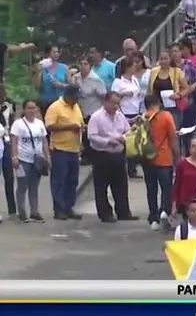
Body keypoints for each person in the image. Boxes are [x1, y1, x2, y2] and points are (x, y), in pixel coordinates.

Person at [87, 92, 137, 223]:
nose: (116, 106)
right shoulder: (96, 117)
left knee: (121, 184)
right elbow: (92, 136)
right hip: (102, 155)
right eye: (114, 103)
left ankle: (123, 211)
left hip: (118, 154)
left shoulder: (120, 116)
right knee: (101, 186)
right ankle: (105, 213)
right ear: (105, 102)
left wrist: (124, 138)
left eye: (118, 103)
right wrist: (108, 141)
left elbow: (128, 130)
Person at [45, 85, 84, 221]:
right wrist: (68, 126)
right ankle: (59, 209)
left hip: (74, 149)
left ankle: (69, 207)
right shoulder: (55, 107)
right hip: (60, 149)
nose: (76, 100)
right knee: (59, 181)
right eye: (75, 98)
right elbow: (49, 126)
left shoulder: (76, 107)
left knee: (72, 181)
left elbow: (80, 123)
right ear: (68, 96)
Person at [141, 94, 179, 231]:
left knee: (151, 189)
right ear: (158, 102)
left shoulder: (142, 118)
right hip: (164, 158)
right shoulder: (166, 116)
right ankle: (164, 211)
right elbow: (172, 138)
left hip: (147, 159)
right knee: (166, 188)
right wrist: (177, 156)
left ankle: (153, 218)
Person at [10, 99, 49, 223]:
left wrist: (47, 157)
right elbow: (14, 141)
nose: (31, 111)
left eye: (33, 108)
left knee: (34, 186)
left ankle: (34, 211)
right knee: (22, 186)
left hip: (36, 160)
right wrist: (14, 157)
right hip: (23, 159)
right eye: (29, 108)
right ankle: (22, 212)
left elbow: (44, 141)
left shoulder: (39, 123)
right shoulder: (18, 124)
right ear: (24, 109)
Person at [112, 57, 145, 177]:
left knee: (134, 141)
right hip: (124, 112)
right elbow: (114, 97)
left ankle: (132, 167)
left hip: (135, 110)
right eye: (132, 65)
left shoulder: (135, 80)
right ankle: (122, 167)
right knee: (124, 140)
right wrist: (123, 94)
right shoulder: (118, 82)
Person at [74, 57, 107, 166]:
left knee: (90, 134)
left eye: (86, 64)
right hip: (81, 110)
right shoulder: (76, 78)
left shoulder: (96, 79)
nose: (83, 66)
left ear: (90, 66)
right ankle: (86, 156)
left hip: (94, 110)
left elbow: (103, 95)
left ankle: (90, 156)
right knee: (83, 134)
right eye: (81, 63)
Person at [147, 50, 190, 130]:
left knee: (173, 130)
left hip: (173, 108)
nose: (163, 61)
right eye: (161, 59)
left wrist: (179, 95)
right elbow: (149, 90)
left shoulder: (177, 72)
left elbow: (186, 88)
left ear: (170, 59)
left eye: (165, 59)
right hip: (157, 107)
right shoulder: (153, 72)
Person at [172, 137, 196, 217]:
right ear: (189, 149)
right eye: (193, 146)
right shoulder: (182, 165)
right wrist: (174, 205)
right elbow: (176, 186)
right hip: (186, 204)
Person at [35, 45, 68, 116]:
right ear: (48, 54)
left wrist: (61, 85)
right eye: (54, 52)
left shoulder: (64, 68)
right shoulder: (42, 68)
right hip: (46, 102)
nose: (57, 54)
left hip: (60, 101)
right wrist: (39, 71)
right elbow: (37, 86)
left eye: (57, 52)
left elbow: (71, 86)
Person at [0, 86, 16, 216]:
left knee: (9, 176)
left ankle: (12, 208)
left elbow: (11, 119)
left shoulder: (9, 104)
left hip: (7, 141)